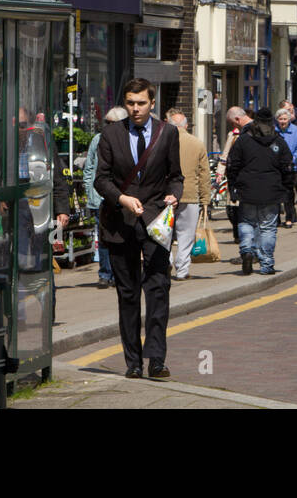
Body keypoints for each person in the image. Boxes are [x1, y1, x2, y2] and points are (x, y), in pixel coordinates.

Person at [93, 78, 184, 380]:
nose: (135, 109)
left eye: (141, 103)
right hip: (121, 222)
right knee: (128, 294)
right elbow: (101, 179)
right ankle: (133, 361)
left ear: (152, 103)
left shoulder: (167, 133)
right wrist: (121, 198)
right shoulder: (110, 134)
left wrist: (175, 194)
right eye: (130, 103)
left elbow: (176, 175)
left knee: (158, 290)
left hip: (156, 222)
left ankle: (156, 359)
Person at [227, 108, 293, 275]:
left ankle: (247, 251)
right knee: (268, 227)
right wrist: (286, 188)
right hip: (271, 191)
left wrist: (233, 187)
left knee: (246, 222)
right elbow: (287, 167)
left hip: (247, 189)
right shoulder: (279, 141)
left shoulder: (243, 141)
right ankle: (267, 263)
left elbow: (232, 166)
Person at [83, 106, 129, 288]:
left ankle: (119, 274)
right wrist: (89, 192)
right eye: (106, 123)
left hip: (120, 198)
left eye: (112, 123)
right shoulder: (97, 140)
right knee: (103, 238)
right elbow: (89, 168)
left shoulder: (126, 140)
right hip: (99, 197)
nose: (108, 126)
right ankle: (105, 273)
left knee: (120, 236)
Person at [166, 109, 211, 279]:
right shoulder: (197, 143)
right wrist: (205, 199)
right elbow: (204, 174)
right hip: (190, 194)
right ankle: (182, 270)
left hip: (166, 195)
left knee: (164, 233)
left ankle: (166, 262)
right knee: (186, 235)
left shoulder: (161, 141)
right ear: (185, 125)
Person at [217, 106, 253, 235]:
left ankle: (242, 237)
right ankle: (237, 232)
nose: (232, 125)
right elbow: (226, 154)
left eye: (232, 122)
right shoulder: (232, 134)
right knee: (232, 208)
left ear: (237, 119)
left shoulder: (251, 133)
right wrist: (220, 172)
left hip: (245, 179)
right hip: (234, 178)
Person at [273, 106, 297, 227]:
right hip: (276, 167)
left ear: (289, 119)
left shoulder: (295, 130)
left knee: (289, 193)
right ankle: (276, 219)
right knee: (276, 193)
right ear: (277, 120)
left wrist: (295, 158)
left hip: (290, 166)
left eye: (284, 119)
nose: (282, 121)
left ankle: (289, 218)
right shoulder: (274, 131)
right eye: (280, 119)